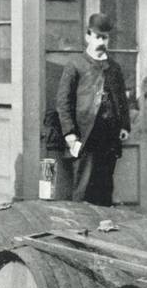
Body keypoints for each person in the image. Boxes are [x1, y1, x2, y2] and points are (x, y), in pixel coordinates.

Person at [56, 13, 131, 206]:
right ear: (88, 36)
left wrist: (124, 125)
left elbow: (121, 99)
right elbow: (63, 102)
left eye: (104, 38)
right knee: (83, 187)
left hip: (109, 137)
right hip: (85, 136)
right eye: (97, 37)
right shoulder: (75, 65)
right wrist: (69, 134)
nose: (101, 42)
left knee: (105, 188)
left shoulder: (114, 67)